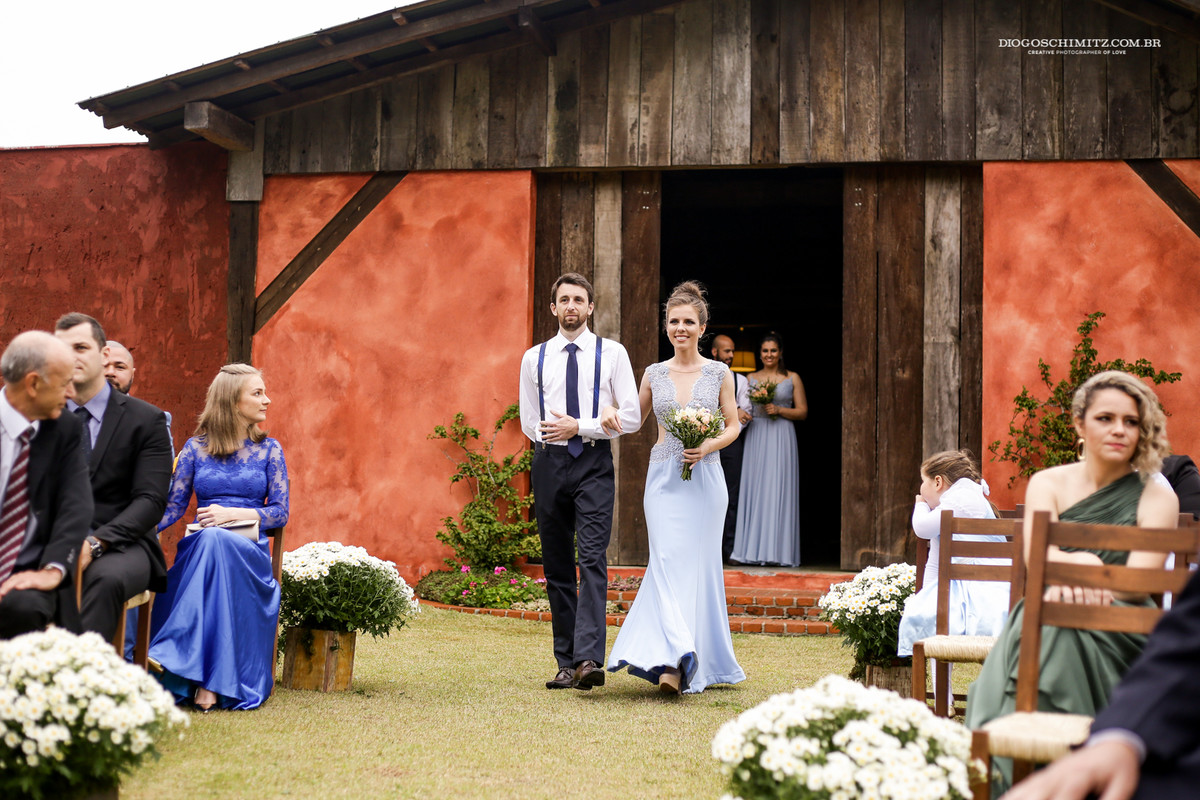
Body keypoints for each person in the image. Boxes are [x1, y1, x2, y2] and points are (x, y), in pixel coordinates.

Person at [965, 370, 1179, 794]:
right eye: (1106, 418)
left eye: (1131, 421)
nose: (1120, 429)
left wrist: (1073, 572)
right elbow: (1036, 559)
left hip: (1123, 625)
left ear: (1143, 429)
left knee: (1054, 617)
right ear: (1080, 424)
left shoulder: (1159, 495)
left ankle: (1035, 776)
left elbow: (1137, 582)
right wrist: (1072, 560)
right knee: (1050, 616)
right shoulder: (1048, 482)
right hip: (1049, 610)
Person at [606, 281, 746, 694]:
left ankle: (678, 664)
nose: (680, 328)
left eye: (688, 321)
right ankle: (671, 658)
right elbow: (633, 420)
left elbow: (734, 425)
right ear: (665, 326)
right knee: (665, 564)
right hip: (664, 479)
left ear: (702, 327)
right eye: (673, 321)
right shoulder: (652, 373)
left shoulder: (721, 373)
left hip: (706, 481)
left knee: (699, 569)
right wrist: (610, 412)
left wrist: (707, 445)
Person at [518, 272, 640, 691]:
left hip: (592, 463)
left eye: (579, 300)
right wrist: (552, 442)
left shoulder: (613, 354)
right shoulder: (533, 358)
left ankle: (589, 659)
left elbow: (631, 417)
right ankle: (565, 663)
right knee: (556, 566)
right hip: (549, 464)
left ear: (590, 308)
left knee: (591, 559)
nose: (571, 306)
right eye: (564, 300)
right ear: (553, 309)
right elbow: (529, 418)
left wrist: (582, 428)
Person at [149, 364, 288, 710]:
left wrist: (232, 515)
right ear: (231, 401)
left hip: (248, 552)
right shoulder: (194, 449)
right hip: (200, 549)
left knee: (215, 541)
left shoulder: (270, 450)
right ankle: (209, 682)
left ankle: (174, 658)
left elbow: (281, 513)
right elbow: (174, 508)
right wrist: (132, 532)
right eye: (257, 393)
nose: (266, 400)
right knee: (210, 542)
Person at [1006, 568, 1200, 800]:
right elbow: (1191, 640)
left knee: (1062, 629)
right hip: (1060, 596)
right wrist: (1119, 739)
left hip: (1119, 605)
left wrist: (1092, 582)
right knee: (1052, 620)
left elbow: (1139, 580)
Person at [55, 313, 172, 642]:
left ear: (103, 355)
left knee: (102, 579)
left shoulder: (146, 420)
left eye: (81, 347)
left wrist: (94, 544)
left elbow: (150, 502)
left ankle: (80, 685)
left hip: (122, 545)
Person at [0, 332, 93, 638]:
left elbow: (75, 506)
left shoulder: (64, 428)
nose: (71, 393)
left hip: (28, 573)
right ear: (33, 384)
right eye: (64, 382)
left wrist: (52, 571)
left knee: (25, 608)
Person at [896, 449, 1010, 658]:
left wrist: (920, 505)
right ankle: (943, 692)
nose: (920, 489)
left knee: (935, 615)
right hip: (968, 585)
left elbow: (921, 527)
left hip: (986, 592)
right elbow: (934, 563)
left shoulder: (962, 498)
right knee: (931, 613)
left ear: (937, 482)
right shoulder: (955, 501)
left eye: (923, 481)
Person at [731, 333, 807, 566]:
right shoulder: (750, 378)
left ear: (780, 352)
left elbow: (803, 412)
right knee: (755, 489)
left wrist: (780, 410)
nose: (769, 355)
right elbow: (740, 406)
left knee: (779, 488)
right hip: (757, 435)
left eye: (773, 350)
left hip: (782, 434)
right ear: (760, 353)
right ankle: (750, 550)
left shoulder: (793, 377)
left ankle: (778, 552)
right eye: (765, 351)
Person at [711, 334, 753, 564]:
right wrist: (733, 411)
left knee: (730, 496)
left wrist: (733, 413)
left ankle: (728, 551)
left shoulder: (741, 381)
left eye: (732, 351)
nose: (730, 355)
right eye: (726, 351)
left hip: (731, 444)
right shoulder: (703, 375)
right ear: (715, 352)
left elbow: (745, 415)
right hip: (704, 443)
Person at [105, 339, 174, 450]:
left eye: (120, 367)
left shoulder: (153, 421)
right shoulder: (72, 414)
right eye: (103, 366)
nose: (110, 372)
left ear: (132, 375)